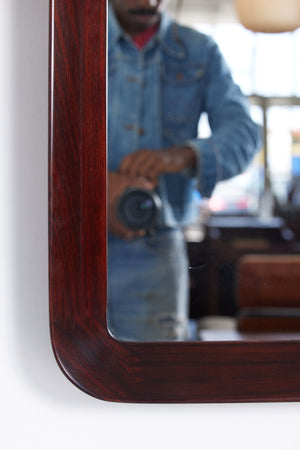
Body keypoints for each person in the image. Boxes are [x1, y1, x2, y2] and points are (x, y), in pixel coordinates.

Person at [107, 0, 262, 342]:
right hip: (66, 245)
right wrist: (94, 188)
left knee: (157, 383)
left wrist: (186, 154)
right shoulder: (70, 40)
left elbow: (246, 136)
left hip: (156, 256)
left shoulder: (200, 50)